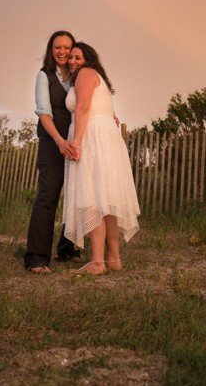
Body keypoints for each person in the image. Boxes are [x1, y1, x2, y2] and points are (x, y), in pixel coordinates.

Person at [63, 42, 141, 275]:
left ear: (88, 59)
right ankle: (113, 259)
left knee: (91, 198)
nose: (72, 61)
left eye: (78, 57)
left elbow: (84, 108)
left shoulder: (85, 74)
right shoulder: (98, 77)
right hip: (104, 136)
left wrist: (76, 142)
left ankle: (97, 262)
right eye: (71, 58)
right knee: (105, 200)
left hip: (91, 137)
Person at [24, 30, 84, 274]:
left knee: (76, 193)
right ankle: (36, 257)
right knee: (48, 196)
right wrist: (59, 141)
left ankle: (68, 249)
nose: (62, 52)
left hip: (75, 141)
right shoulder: (44, 76)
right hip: (52, 141)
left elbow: (87, 103)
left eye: (66, 48)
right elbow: (43, 112)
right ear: (51, 50)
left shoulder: (79, 75)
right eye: (57, 47)